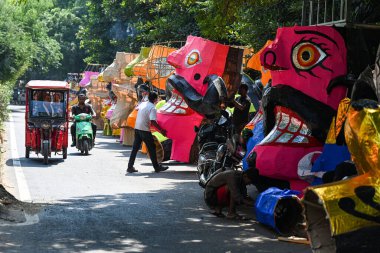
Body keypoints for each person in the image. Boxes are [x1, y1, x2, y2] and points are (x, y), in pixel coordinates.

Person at [127, 91, 168, 173]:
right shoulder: (152, 108)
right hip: (144, 129)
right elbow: (153, 121)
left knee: (135, 148)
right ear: (156, 99)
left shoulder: (143, 104)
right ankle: (157, 167)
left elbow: (137, 109)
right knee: (152, 148)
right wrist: (161, 130)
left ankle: (130, 167)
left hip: (137, 128)